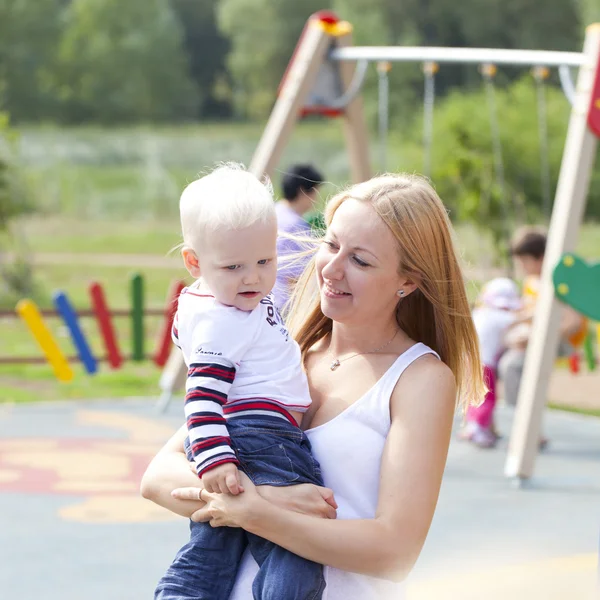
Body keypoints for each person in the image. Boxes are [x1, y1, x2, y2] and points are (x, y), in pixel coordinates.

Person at [142, 173, 485, 600]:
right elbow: (158, 476)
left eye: (360, 260)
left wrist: (253, 513)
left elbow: (393, 552)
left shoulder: (420, 379)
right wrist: (266, 499)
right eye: (331, 244)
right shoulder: (284, 349)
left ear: (408, 282)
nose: (332, 268)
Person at [155, 163, 326, 600]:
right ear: (193, 262)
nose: (253, 277)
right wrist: (216, 462)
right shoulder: (223, 320)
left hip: (240, 432)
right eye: (233, 266)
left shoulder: (210, 298)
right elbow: (202, 397)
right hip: (263, 437)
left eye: (265, 260)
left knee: (214, 543)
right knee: (297, 544)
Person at [499, 227, 586, 408]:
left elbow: (572, 322)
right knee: (493, 354)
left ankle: (522, 422)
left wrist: (532, 337)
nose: (521, 266)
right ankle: (485, 418)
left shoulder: (558, 284)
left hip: (562, 340)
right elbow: (526, 314)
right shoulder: (530, 282)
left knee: (512, 366)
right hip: (537, 337)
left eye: (524, 260)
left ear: (541, 258)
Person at [459, 278, 522, 448]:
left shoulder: (481, 313)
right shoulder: (500, 317)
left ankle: (476, 426)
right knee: (487, 399)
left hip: (470, 361)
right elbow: (518, 319)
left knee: (475, 396)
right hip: (484, 364)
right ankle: (477, 428)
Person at [273, 164, 324, 311]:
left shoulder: (273, 213)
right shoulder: (295, 226)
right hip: (284, 304)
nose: (316, 199)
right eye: (315, 192)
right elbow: (296, 277)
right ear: (303, 191)